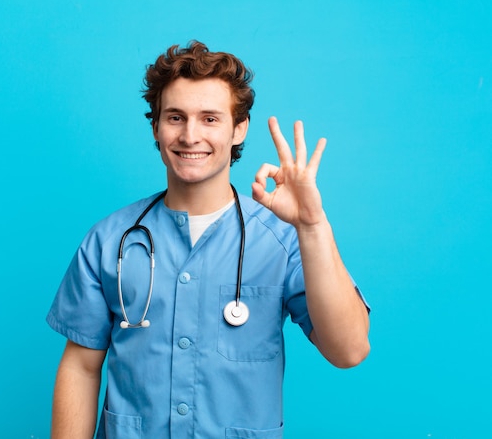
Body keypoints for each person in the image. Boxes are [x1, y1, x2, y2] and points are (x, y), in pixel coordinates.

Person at [46, 40, 370, 439]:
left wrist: (313, 227)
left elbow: (350, 350)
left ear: (239, 129)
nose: (190, 135)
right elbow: (80, 366)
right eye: (176, 117)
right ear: (156, 126)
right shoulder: (109, 240)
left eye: (210, 119)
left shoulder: (283, 242)